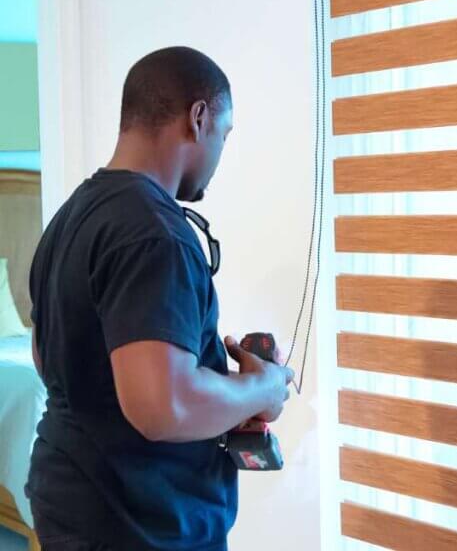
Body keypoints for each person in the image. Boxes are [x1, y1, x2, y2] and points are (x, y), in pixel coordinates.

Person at [27, 47, 293, 551]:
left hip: (74, 504)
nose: (220, 152)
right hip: (135, 525)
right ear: (197, 118)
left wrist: (217, 397)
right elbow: (161, 405)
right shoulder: (153, 233)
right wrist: (261, 390)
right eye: (224, 133)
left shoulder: (73, 216)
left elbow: (51, 360)